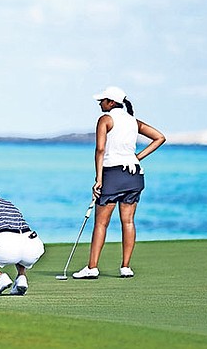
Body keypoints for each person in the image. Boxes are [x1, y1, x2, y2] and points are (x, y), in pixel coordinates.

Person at [73, 87, 165, 279]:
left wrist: (98, 178)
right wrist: (137, 157)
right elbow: (159, 138)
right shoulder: (133, 121)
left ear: (111, 102)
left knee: (101, 223)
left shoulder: (105, 120)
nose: (100, 103)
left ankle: (92, 267)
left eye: (103, 100)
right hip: (134, 175)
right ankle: (125, 267)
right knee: (128, 221)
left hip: (112, 174)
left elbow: (100, 150)